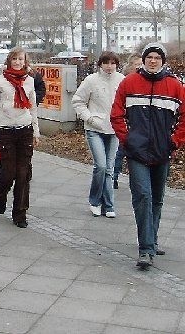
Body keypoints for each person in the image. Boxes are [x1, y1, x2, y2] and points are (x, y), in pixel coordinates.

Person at [111, 42, 185, 269]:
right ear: (143, 60)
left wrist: (174, 142)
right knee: (142, 196)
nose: (153, 61)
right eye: (149, 57)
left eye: (157, 57)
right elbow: (116, 114)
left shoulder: (175, 86)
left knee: (157, 198)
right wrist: (127, 139)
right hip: (137, 152)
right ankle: (145, 250)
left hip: (162, 152)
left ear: (163, 61)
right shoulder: (129, 82)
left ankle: (150, 240)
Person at [0, 47, 39, 229]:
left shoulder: (30, 81)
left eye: (21, 59)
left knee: (24, 174)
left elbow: (32, 107)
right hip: (6, 131)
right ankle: (1, 194)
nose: (18, 62)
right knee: (8, 174)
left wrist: (36, 131)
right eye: (14, 59)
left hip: (25, 130)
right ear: (9, 61)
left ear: (26, 62)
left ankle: (20, 213)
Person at [72, 52, 124, 218]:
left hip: (114, 130)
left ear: (116, 64)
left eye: (112, 63)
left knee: (109, 168)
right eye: (106, 63)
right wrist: (89, 118)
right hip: (94, 128)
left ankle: (108, 205)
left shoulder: (121, 80)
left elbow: (127, 103)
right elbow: (78, 101)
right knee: (100, 166)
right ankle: (95, 200)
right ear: (100, 64)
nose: (109, 66)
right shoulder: (91, 80)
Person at [113, 53, 143, 188]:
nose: (140, 67)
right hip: (125, 123)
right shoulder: (125, 80)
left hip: (139, 124)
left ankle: (136, 179)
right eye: (137, 65)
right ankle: (113, 176)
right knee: (120, 152)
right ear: (131, 66)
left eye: (141, 64)